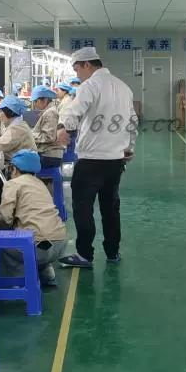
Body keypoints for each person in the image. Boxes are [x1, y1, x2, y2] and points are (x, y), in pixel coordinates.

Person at [57, 47, 137, 268]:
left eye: (77, 69)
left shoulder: (90, 86)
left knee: (83, 208)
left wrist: (63, 127)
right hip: (115, 161)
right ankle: (113, 252)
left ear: (87, 65)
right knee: (110, 208)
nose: (77, 74)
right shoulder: (123, 87)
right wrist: (129, 146)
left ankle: (84, 254)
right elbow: (132, 121)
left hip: (91, 160)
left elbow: (73, 110)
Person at [0, 150, 68, 288]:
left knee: (1, 241)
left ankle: (20, 280)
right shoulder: (40, 184)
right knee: (36, 231)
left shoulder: (13, 184)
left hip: (37, 248)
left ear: (14, 169)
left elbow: (4, 217)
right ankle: (47, 273)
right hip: (60, 244)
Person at [29, 85, 65, 168]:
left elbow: (49, 137)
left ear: (45, 100)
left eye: (36, 101)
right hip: (48, 154)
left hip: (49, 156)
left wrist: (30, 136)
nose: (35, 104)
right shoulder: (48, 111)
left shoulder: (50, 113)